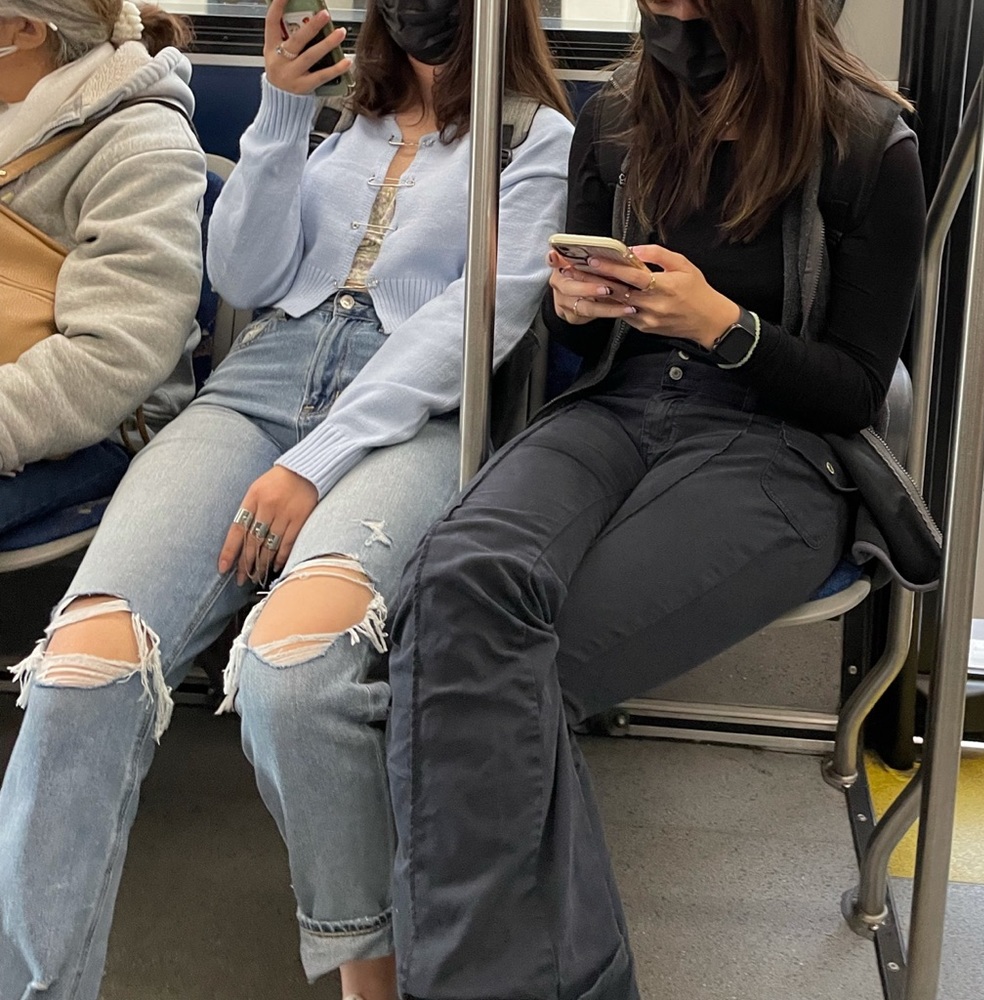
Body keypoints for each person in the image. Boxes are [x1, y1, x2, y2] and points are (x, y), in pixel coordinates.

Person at [0, 0, 572, 996]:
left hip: (414, 410)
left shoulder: (538, 139)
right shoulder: (337, 121)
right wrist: (275, 110)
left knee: (294, 675)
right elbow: (244, 275)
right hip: (259, 385)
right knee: (78, 672)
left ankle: (369, 978)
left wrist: (316, 463)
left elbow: (470, 329)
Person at [385, 1, 927, 997]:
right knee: (459, 587)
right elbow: (594, 353)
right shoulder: (619, 117)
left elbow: (857, 385)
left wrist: (727, 326)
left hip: (775, 443)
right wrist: (580, 307)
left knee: (503, 669)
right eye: (656, 3)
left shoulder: (866, 147)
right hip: (619, 408)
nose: (673, 17)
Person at [0, 0, 204, 539]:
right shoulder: (11, 106)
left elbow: (113, 357)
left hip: (93, 428)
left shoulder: (145, 148)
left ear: (24, 29)